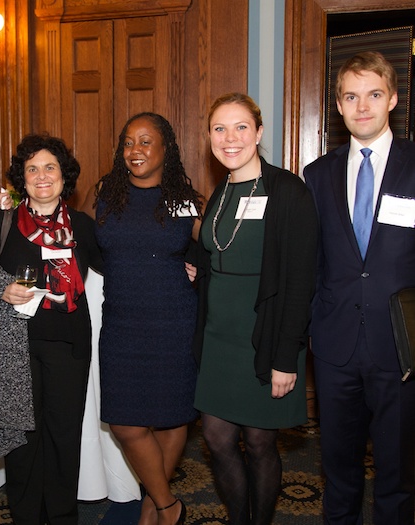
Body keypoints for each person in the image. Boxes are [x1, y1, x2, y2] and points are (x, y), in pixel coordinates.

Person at [193, 93, 317, 525]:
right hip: (218, 337)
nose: (231, 138)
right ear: (209, 136)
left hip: (264, 335)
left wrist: (287, 356)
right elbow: (217, 249)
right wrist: (199, 266)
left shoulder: (288, 191)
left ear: (259, 133)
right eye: (220, 129)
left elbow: (301, 280)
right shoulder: (220, 192)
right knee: (216, 437)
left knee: (261, 442)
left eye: (241, 127)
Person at [0, 133, 102, 525]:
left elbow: (121, 268)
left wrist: (183, 265)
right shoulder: (3, 223)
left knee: (63, 437)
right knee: (22, 439)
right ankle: (25, 516)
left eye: (50, 168)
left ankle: (61, 516)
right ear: (21, 179)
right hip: (14, 349)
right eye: (32, 169)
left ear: (64, 177)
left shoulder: (82, 226)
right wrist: (0, 288)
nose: (42, 176)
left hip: (69, 346)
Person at [303, 51, 415, 524]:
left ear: (392, 99)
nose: (362, 106)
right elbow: (312, 262)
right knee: (339, 471)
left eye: (373, 94)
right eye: (351, 96)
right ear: (339, 105)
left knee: (399, 472)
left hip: (402, 348)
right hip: (335, 347)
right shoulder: (318, 174)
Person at [82, 112, 203, 525]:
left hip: (172, 319)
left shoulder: (183, 198)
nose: (135, 150)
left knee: (172, 417)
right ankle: (169, 503)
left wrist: (197, 268)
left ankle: (153, 507)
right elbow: (82, 244)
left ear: (166, 149)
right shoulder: (102, 193)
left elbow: (217, 249)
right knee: (123, 422)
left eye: (147, 142)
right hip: (121, 321)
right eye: (129, 142)